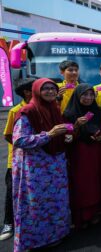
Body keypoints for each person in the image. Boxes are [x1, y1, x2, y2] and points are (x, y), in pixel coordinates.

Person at [12, 78, 71, 251]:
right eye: (45, 89)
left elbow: (58, 132)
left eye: (53, 89)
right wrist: (49, 135)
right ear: (36, 91)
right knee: (35, 204)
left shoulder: (54, 109)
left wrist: (64, 136)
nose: (50, 92)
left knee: (56, 201)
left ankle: (56, 234)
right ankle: (34, 241)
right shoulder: (27, 112)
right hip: (35, 168)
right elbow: (19, 140)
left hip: (55, 166)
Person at [63, 84, 101, 229]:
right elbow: (66, 138)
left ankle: (95, 212)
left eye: (91, 95)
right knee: (83, 184)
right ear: (77, 96)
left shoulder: (99, 111)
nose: (88, 98)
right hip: (80, 153)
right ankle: (82, 215)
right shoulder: (69, 114)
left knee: (97, 181)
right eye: (85, 95)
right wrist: (77, 125)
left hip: (97, 152)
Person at [0, 78, 35, 241]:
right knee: (12, 190)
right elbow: (8, 135)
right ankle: (8, 223)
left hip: (36, 158)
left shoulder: (42, 107)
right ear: (28, 92)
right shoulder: (16, 110)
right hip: (16, 159)